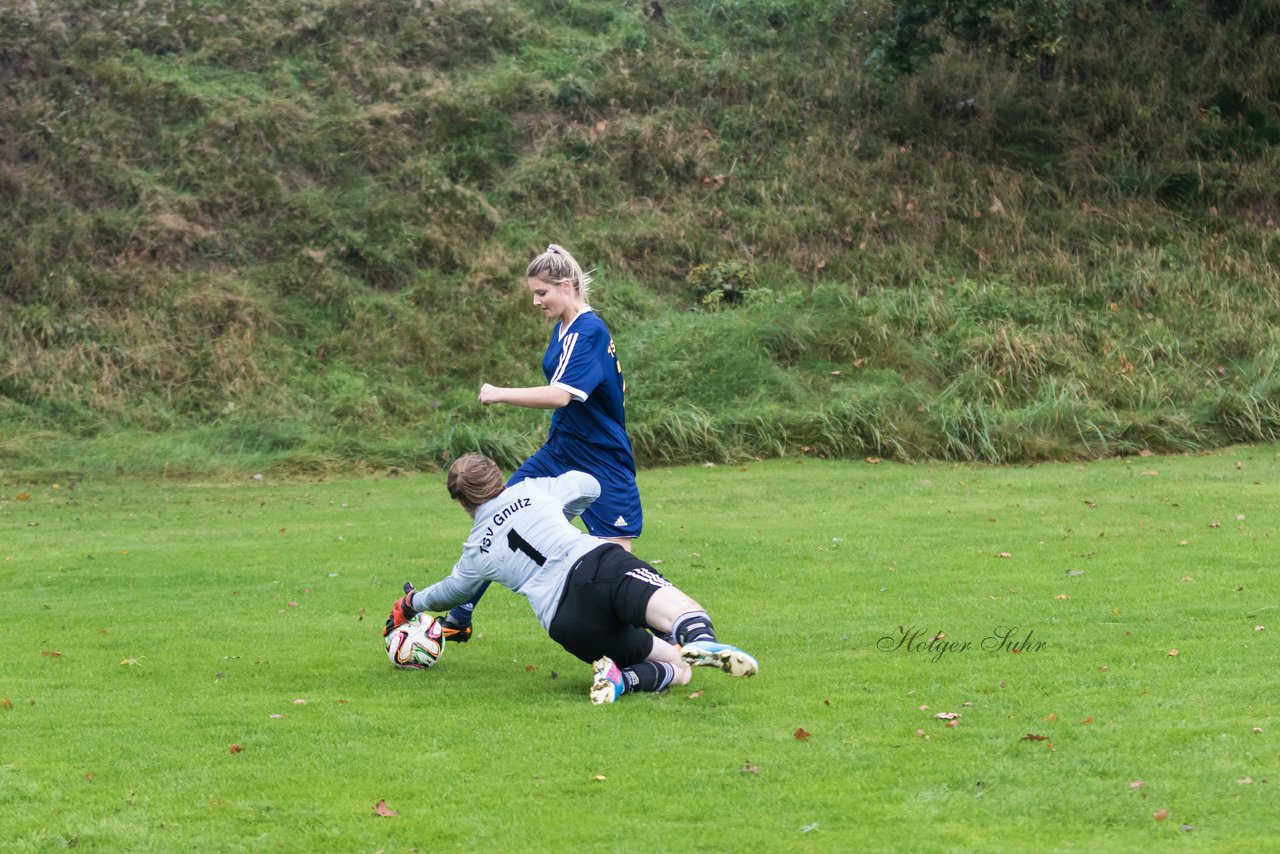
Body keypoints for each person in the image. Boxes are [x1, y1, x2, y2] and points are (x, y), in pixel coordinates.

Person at [384, 453, 756, 704]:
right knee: (679, 613)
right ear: (498, 478)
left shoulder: (477, 549)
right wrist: (565, 512)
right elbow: (588, 484)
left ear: (461, 501)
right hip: (597, 567)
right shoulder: (533, 490)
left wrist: (408, 605)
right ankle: (701, 640)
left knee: (677, 670)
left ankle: (621, 680)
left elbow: (451, 593)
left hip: (568, 622)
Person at [440, 244, 643, 644]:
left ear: (566, 286)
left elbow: (560, 395)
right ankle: (459, 614)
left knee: (615, 566)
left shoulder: (588, 332)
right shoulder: (568, 326)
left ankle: (646, 643)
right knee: (497, 518)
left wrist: (499, 393)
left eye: (541, 292)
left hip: (603, 461)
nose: (535, 301)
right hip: (561, 450)